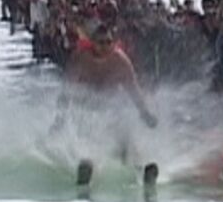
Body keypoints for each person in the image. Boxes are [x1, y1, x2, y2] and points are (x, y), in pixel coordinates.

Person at [51, 25, 158, 185]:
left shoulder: (121, 61)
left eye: (109, 42)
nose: (105, 46)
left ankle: (141, 171)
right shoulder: (81, 59)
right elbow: (67, 90)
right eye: (101, 42)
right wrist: (60, 119)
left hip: (110, 109)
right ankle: (84, 171)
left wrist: (145, 113)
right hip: (84, 109)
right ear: (93, 42)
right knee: (86, 141)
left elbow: (134, 91)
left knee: (125, 140)